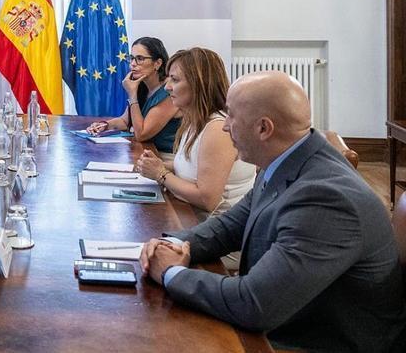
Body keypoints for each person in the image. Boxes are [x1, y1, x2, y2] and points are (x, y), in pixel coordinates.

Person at [140, 71, 406, 352]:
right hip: (287, 321)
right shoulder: (286, 159)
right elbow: (231, 225)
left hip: (316, 342)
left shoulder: (327, 199)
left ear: (263, 129)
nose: (225, 126)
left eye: (231, 116)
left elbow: (253, 303)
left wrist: (171, 272)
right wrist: (173, 244)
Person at [136, 48, 255, 217]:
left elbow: (207, 199)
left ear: (199, 84)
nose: (167, 87)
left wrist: (161, 174)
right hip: (192, 218)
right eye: (168, 78)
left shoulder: (218, 128)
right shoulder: (194, 120)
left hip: (215, 230)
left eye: (175, 80)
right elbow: (194, 168)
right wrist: (158, 165)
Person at [85, 37, 181, 158]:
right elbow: (125, 121)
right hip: (146, 152)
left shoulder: (169, 91)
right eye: (131, 58)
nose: (133, 64)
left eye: (140, 59)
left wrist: (132, 95)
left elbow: (141, 134)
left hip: (166, 157)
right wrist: (105, 125)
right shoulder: (142, 85)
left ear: (157, 63)